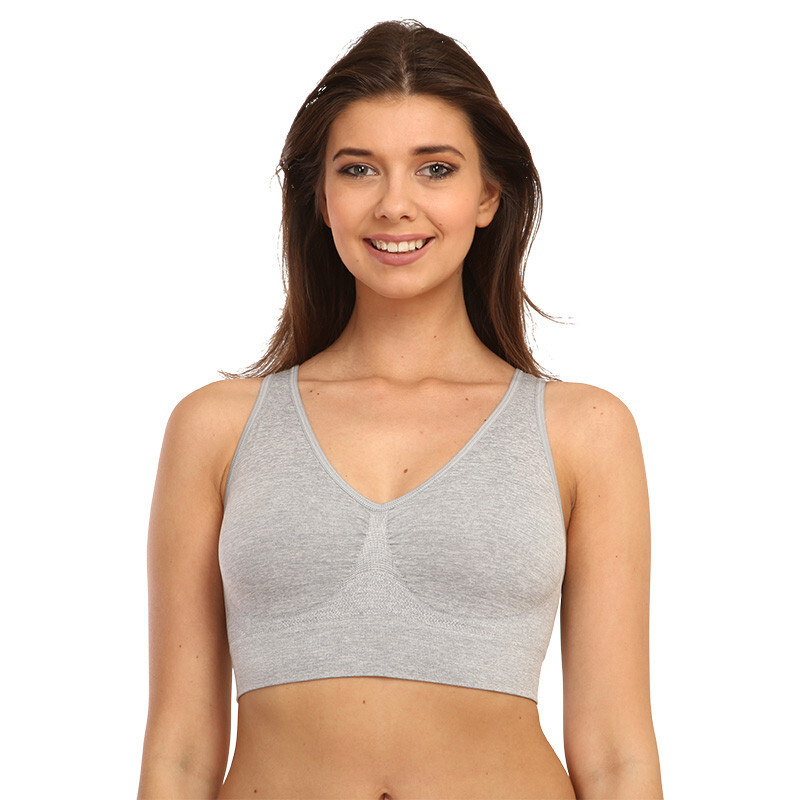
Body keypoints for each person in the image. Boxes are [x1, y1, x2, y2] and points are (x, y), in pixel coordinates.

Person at [137, 19, 662, 800]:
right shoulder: (216, 428)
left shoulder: (584, 431)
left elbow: (617, 755)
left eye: (435, 169)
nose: (394, 204)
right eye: (358, 169)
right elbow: (179, 755)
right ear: (321, 198)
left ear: (488, 195)